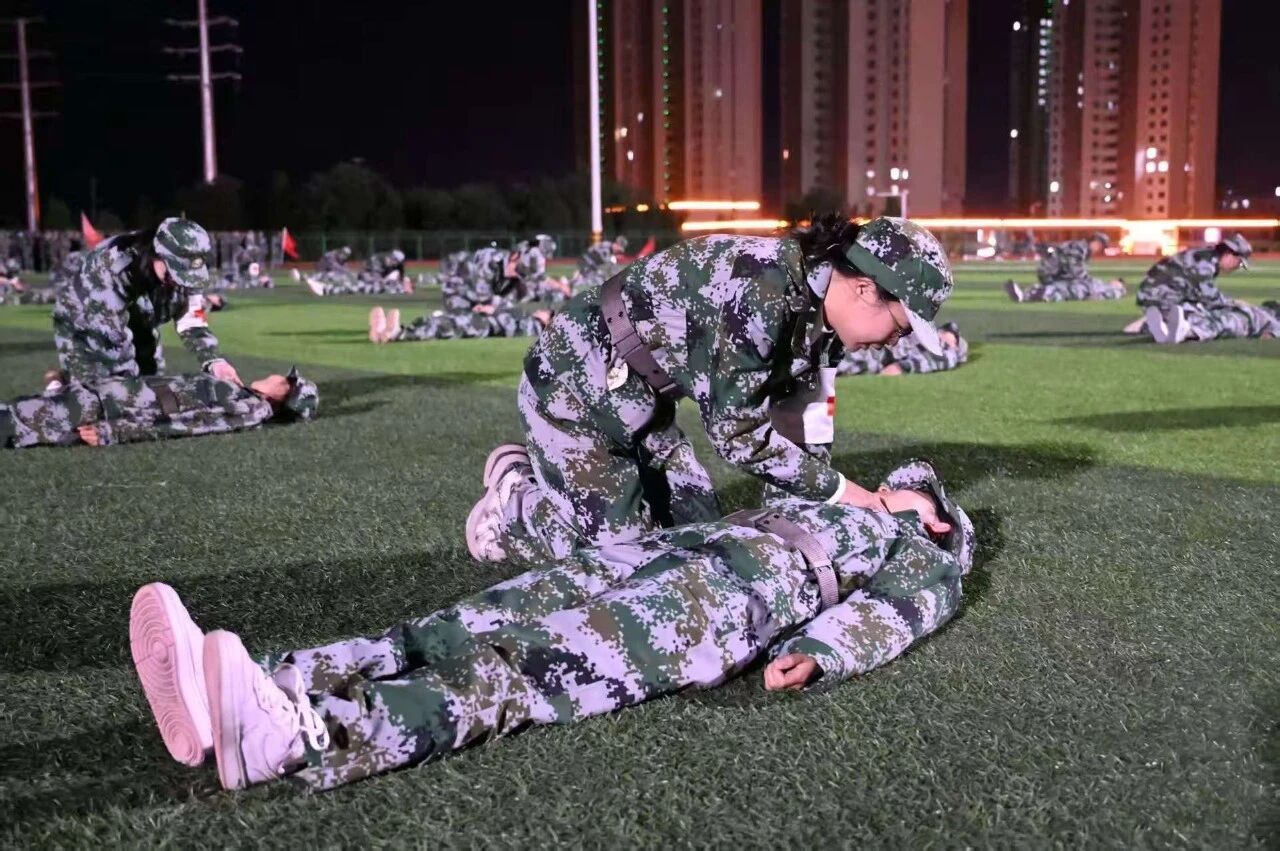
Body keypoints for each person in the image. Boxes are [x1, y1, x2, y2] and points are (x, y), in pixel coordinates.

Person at [127, 459, 975, 790]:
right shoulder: (839, 503)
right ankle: (273, 681)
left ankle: (299, 739)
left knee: (524, 667)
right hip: (669, 556)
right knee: (464, 621)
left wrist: (819, 652)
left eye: (906, 487)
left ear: (934, 515)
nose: (887, 485)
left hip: (719, 604)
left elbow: (895, 614)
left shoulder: (922, 551)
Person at [465, 214, 955, 563]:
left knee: (701, 544)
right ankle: (517, 505)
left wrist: (809, 528)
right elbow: (737, 436)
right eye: (900, 326)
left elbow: (804, 433)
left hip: (643, 400)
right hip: (573, 383)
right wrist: (856, 496)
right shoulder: (763, 287)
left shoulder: (825, 324)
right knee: (629, 565)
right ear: (865, 288)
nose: (895, 341)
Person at [50, 217, 240, 389]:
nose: (179, 282)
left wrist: (214, 361)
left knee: (151, 378)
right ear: (157, 255)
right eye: (174, 273)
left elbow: (192, 321)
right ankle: (63, 383)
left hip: (139, 316)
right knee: (100, 391)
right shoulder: (111, 267)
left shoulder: (186, 268)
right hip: (84, 321)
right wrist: (131, 388)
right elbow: (112, 341)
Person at [0, 367, 317, 449]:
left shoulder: (252, 409)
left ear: (283, 396)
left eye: (286, 380)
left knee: (13, 421)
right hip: (102, 397)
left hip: (105, 409)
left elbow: (191, 424)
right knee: (17, 417)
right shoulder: (243, 394)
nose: (278, 375)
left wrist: (115, 432)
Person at [1128, 233, 1278, 343]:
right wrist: (1234, 303)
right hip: (1162, 297)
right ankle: (1177, 327)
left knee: (1198, 308)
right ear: (1228, 255)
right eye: (1239, 263)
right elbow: (1210, 296)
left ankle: (1154, 324)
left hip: (1155, 296)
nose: (1237, 267)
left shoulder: (1205, 256)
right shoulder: (1205, 263)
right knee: (1208, 315)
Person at [1004, 232, 1125, 303]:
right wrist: (1086, 279)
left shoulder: (1080, 247)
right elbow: (1073, 267)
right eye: (1100, 246)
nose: (1098, 249)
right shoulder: (1081, 247)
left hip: (1052, 273)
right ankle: (1037, 294)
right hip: (1053, 272)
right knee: (1065, 288)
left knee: (1061, 289)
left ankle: (1027, 295)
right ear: (1096, 242)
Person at [838, 322, 969, 376]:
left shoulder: (949, 353)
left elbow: (939, 360)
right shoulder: (929, 331)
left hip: (884, 353)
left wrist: (903, 367)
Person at [368, 304, 551, 343]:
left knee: (446, 326)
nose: (540, 310)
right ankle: (384, 332)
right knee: (439, 321)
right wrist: (492, 310)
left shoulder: (534, 326)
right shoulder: (527, 319)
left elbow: (509, 327)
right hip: (482, 321)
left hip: (484, 326)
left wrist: (494, 312)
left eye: (545, 312)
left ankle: (397, 333)